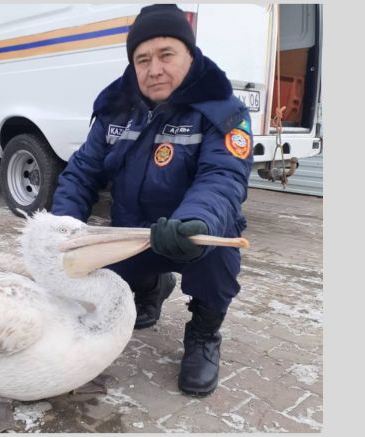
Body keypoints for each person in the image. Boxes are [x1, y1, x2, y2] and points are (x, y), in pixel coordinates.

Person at [51, 4, 253, 397]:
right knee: (95, 276)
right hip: (134, 230)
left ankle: (204, 333)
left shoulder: (223, 111)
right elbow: (82, 173)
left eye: (166, 55)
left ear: (189, 56)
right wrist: (61, 227)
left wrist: (196, 222)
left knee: (218, 250)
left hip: (192, 232)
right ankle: (150, 288)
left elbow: (223, 176)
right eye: (142, 59)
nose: (154, 68)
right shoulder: (115, 109)